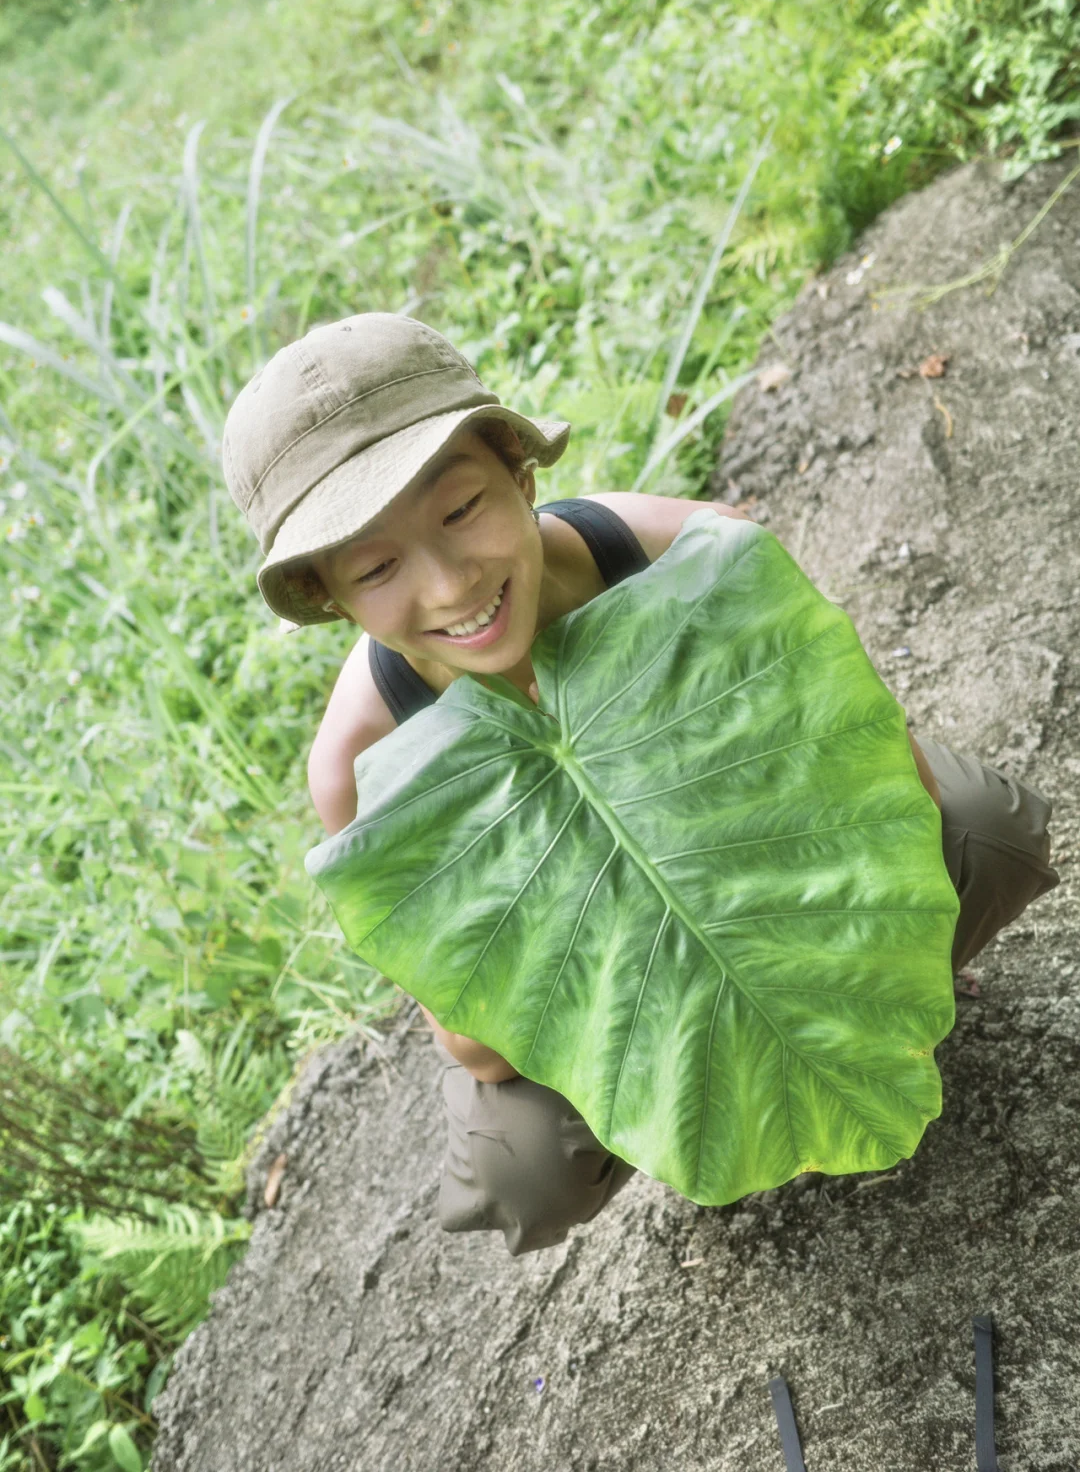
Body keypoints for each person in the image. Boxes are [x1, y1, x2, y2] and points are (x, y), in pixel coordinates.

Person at [222, 312, 1062, 1257]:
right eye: (377, 566)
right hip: (608, 982)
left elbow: (885, 771)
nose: (451, 584)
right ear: (328, 597)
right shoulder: (366, 764)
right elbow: (480, 1046)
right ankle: (714, 1111)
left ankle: (864, 1032)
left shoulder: (682, 555)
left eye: (460, 511)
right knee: (520, 1167)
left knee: (982, 833)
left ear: (520, 472)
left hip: (762, 871)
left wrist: (850, 953)